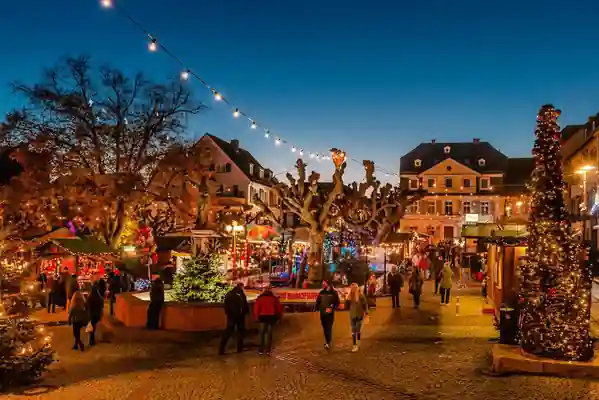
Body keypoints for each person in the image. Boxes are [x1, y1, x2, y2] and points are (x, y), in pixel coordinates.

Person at [219, 282, 249, 355]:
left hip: (233, 316)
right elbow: (244, 304)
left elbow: (226, 305)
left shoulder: (230, 294)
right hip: (237, 316)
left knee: (230, 331)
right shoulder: (240, 294)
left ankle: (222, 348)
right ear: (241, 287)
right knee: (238, 332)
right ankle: (239, 348)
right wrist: (245, 312)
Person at [253, 285, 284, 355]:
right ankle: (268, 350)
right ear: (270, 290)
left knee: (262, 334)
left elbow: (256, 309)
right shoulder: (274, 298)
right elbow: (279, 309)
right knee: (269, 334)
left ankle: (261, 350)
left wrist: (256, 318)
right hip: (271, 317)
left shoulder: (259, 298)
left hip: (262, 317)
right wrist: (279, 318)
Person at [315, 280, 340, 350]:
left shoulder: (334, 293)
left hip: (330, 314)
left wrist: (332, 308)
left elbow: (337, 303)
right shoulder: (321, 292)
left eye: (324, 283)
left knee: (329, 328)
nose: (323, 284)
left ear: (328, 284)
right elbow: (318, 302)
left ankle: (328, 342)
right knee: (324, 328)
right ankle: (327, 341)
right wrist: (316, 308)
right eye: (322, 283)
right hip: (322, 314)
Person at [345, 283, 368, 352]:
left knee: (357, 329)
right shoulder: (350, 296)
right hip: (352, 316)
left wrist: (366, 313)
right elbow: (346, 307)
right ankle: (355, 345)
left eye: (354, 288)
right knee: (353, 330)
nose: (353, 290)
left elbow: (365, 304)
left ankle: (358, 341)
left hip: (359, 315)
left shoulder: (361, 296)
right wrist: (346, 300)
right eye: (351, 288)